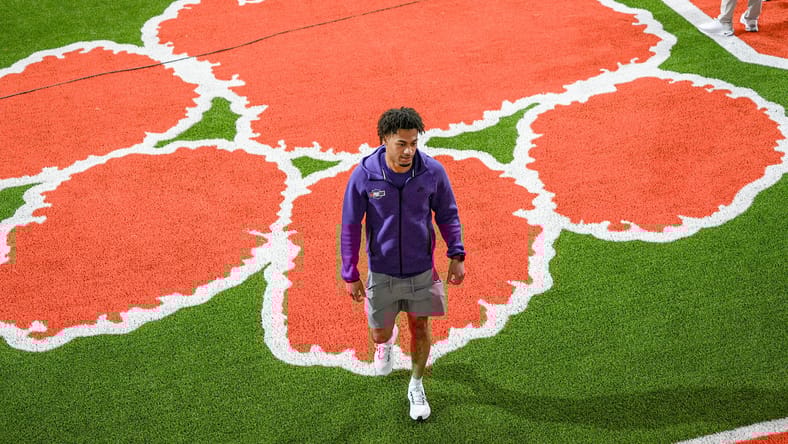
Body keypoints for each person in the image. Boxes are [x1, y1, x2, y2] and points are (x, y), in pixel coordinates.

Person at [341, 107, 466, 421]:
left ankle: (416, 384)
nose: (409, 150)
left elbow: (448, 214)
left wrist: (456, 254)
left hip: (421, 270)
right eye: (401, 143)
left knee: (421, 327)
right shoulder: (364, 175)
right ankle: (386, 344)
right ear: (384, 140)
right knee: (380, 333)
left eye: (414, 143)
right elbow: (350, 225)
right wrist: (350, 272)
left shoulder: (433, 172)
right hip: (381, 272)